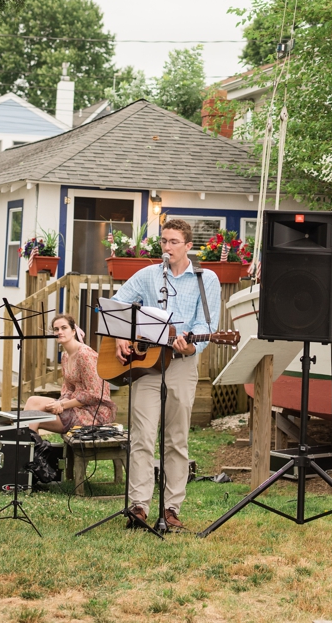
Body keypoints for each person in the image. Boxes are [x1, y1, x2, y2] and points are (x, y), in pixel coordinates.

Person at [112, 217, 221, 532]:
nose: (167, 247)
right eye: (164, 241)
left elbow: (206, 326)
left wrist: (190, 346)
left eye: (174, 242)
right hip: (146, 367)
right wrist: (121, 335)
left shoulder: (206, 278)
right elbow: (116, 305)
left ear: (188, 246)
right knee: (142, 435)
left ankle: (171, 509)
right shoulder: (147, 275)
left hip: (181, 364)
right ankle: (139, 507)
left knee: (176, 439)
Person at [25, 314, 114, 434]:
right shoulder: (66, 356)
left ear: (73, 331)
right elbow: (69, 389)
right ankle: (30, 447)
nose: (59, 332)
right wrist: (59, 403)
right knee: (31, 410)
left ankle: (27, 447)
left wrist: (62, 404)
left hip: (92, 412)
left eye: (64, 328)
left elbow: (94, 394)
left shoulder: (85, 354)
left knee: (32, 409)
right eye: (56, 329)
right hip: (73, 406)